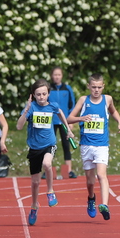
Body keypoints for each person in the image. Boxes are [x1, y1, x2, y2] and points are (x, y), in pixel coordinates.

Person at [67, 73, 120, 221]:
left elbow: (113, 111)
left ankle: (104, 205)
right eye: (93, 87)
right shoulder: (83, 100)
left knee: (101, 175)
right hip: (86, 145)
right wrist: (81, 118)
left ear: (103, 87)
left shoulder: (107, 99)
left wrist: (119, 121)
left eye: (99, 87)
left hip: (101, 145)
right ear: (88, 86)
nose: (96, 90)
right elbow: (69, 118)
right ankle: (91, 198)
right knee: (90, 181)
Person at [17, 78, 74, 225]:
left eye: (44, 94)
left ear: (48, 94)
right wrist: (26, 110)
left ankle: (50, 191)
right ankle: (34, 206)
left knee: (47, 164)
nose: (41, 97)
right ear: (33, 95)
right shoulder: (31, 108)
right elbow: (19, 126)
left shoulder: (52, 106)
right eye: (38, 94)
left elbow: (60, 112)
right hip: (34, 148)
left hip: (49, 144)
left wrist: (68, 128)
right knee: (35, 182)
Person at [48, 67, 77, 179]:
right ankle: (48, 169)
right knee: (50, 145)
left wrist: (71, 121)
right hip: (51, 121)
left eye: (59, 75)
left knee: (66, 145)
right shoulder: (48, 88)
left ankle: (69, 170)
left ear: (62, 76)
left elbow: (72, 105)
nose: (57, 77)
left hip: (64, 121)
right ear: (52, 76)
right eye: (55, 75)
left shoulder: (67, 88)